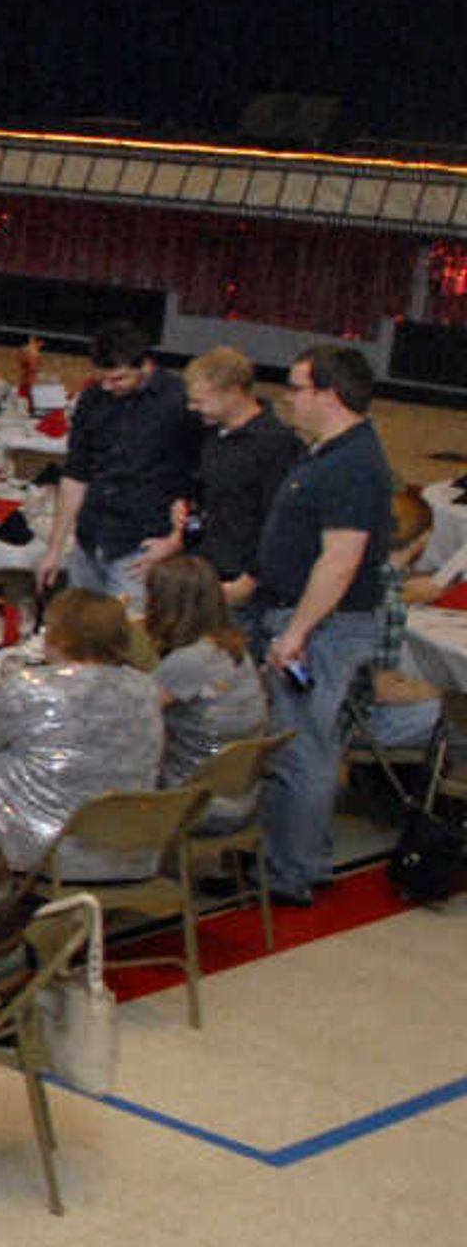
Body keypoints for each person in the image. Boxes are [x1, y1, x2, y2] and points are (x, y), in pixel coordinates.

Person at [249, 342, 393, 906]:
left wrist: (296, 633)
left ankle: (293, 871)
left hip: (323, 630)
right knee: (304, 746)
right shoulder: (331, 452)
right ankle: (302, 856)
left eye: (296, 387)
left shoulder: (353, 465)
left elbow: (340, 561)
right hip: (309, 621)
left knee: (302, 749)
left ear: (328, 394)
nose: (287, 398)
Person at [0, 590, 163, 875]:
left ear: (60, 636)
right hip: (134, 849)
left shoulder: (32, 687)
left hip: (46, 849)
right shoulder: (145, 688)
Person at [33, 323, 198, 599]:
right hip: (90, 539)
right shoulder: (92, 398)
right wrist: (54, 548)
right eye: (102, 379)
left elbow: (198, 479)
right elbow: (76, 474)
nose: (108, 387)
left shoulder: (179, 400)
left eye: (118, 379)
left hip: (140, 548)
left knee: (127, 637)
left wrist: (175, 542)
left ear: (145, 365)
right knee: (79, 632)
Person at [141, 344, 300, 607]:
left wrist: (250, 580)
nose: (192, 408)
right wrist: (184, 509)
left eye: (199, 401)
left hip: (242, 582)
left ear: (233, 393)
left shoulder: (278, 444)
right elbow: (200, 491)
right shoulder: (210, 434)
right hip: (204, 566)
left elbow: (279, 522)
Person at [142, 553, 269, 830]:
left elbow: (133, 715)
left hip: (195, 802)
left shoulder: (189, 661)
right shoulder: (234, 649)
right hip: (240, 797)